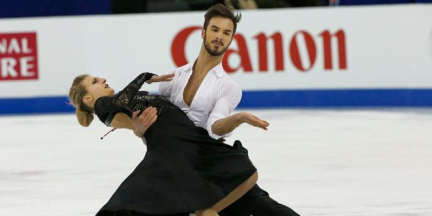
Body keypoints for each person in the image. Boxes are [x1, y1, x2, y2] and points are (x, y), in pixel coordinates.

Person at [129, 4, 300, 216]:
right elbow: (160, 127)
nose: (219, 36)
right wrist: (140, 130)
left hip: (212, 164)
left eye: (226, 33)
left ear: (231, 40)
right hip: (176, 170)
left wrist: (238, 118)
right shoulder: (171, 79)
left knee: (264, 208)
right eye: (215, 30)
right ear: (203, 32)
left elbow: (215, 127)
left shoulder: (228, 87)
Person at [68, 72, 259, 216]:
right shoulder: (103, 106)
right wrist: (143, 76)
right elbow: (124, 109)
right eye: (95, 82)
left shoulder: (116, 107)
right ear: (88, 99)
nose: (101, 79)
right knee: (204, 204)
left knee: (206, 204)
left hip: (187, 142)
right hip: (174, 149)